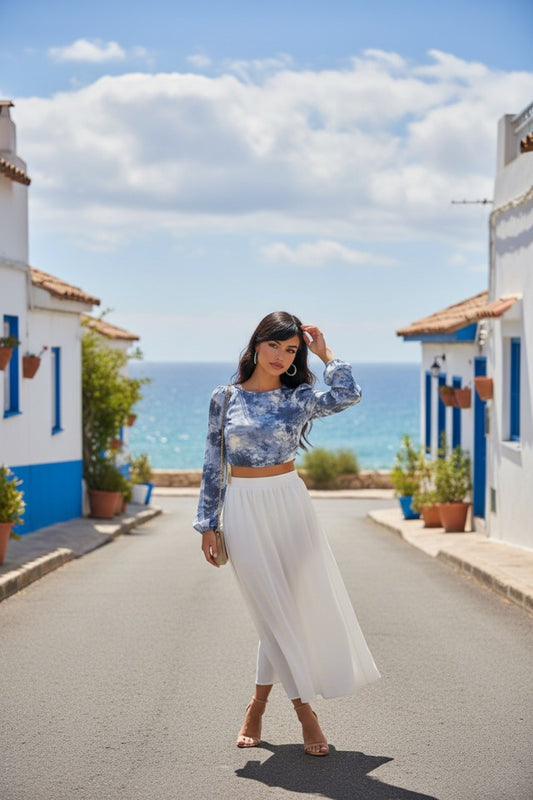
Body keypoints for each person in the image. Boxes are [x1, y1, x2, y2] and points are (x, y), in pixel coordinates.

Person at [193, 311, 380, 757]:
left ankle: (256, 706)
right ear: (257, 344)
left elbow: (348, 393)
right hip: (243, 508)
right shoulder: (225, 397)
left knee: (281, 612)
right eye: (274, 345)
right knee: (269, 609)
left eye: (291, 349)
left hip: (290, 503)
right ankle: (305, 713)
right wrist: (208, 524)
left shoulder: (298, 398)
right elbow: (212, 462)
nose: (281, 356)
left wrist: (326, 352)